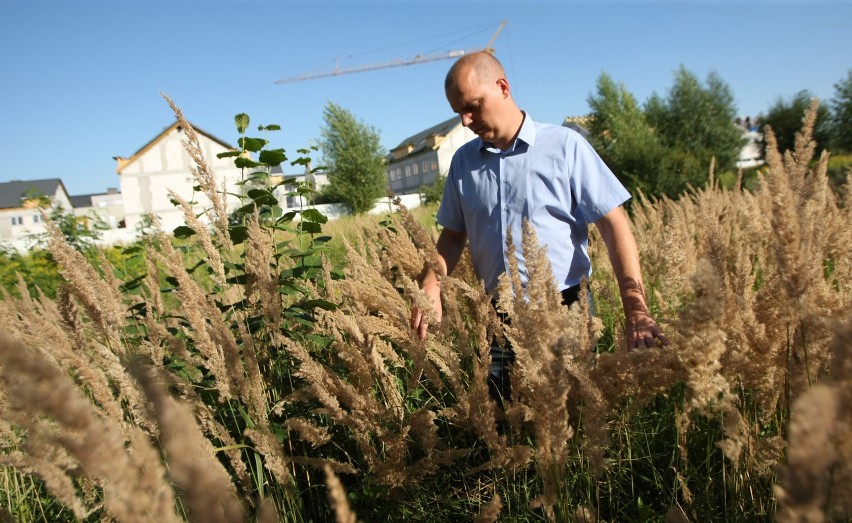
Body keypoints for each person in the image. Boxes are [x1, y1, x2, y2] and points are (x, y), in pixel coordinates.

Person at [410, 51, 669, 399]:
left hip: (566, 308)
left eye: (472, 107)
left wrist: (636, 309)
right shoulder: (462, 162)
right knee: (505, 422)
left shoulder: (564, 146)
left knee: (573, 417)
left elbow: (613, 224)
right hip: (496, 316)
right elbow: (454, 234)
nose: (466, 121)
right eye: (459, 113)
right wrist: (431, 283)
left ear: (502, 87)